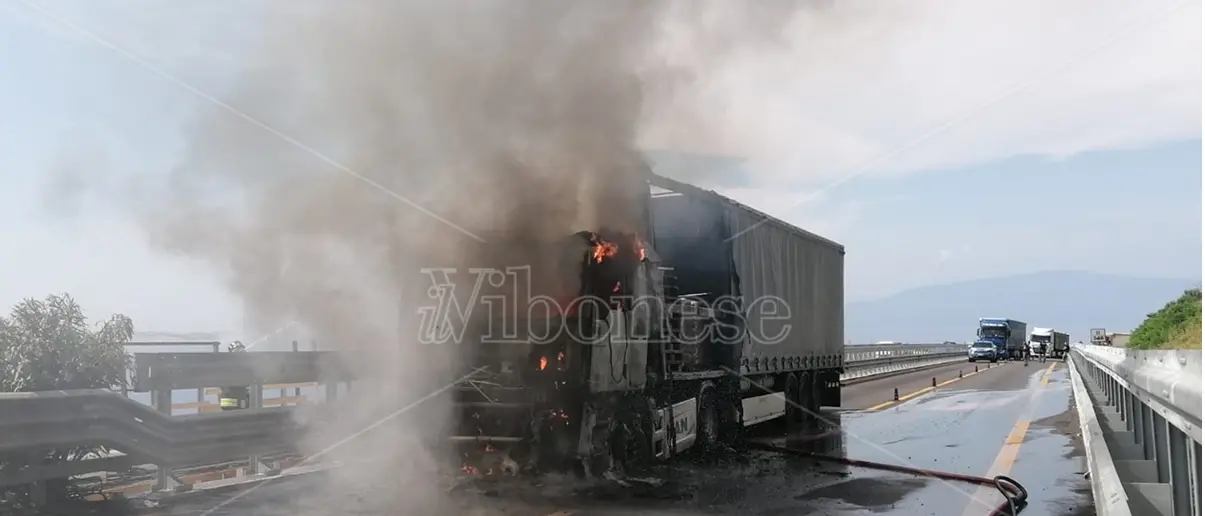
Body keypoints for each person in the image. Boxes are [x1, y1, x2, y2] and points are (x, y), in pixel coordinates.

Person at [218, 341, 251, 411]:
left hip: (230, 400)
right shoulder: (237, 366)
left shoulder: (226, 364)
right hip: (234, 400)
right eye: (239, 350)